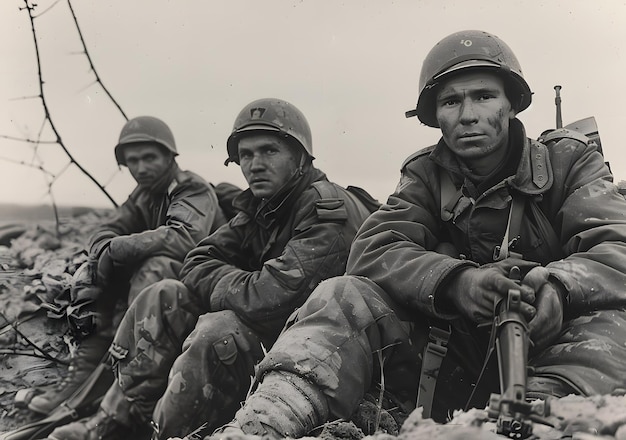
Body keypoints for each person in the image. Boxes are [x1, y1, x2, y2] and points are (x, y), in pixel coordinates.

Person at [208, 30, 626, 438]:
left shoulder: (568, 161)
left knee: (610, 317)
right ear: (435, 116)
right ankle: (266, 422)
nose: (467, 115)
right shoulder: (425, 175)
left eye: (484, 96)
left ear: (512, 103)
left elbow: (616, 243)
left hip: (552, 345)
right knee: (345, 294)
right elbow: (373, 250)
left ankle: (547, 422)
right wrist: (457, 282)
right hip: (454, 359)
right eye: (451, 101)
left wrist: (559, 286)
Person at [46, 98, 377, 440]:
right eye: (246, 155)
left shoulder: (324, 208)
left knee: (218, 329)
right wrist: (242, 285)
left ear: (300, 156)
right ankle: (113, 422)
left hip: (324, 357)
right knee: (165, 294)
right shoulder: (261, 207)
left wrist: (233, 286)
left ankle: (166, 434)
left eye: (269, 151)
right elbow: (197, 258)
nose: (255, 165)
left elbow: (272, 299)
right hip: (274, 336)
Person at [26, 115, 228, 416]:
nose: (140, 168)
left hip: (202, 291)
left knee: (155, 267)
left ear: (169, 157)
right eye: (132, 161)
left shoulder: (191, 188)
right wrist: (104, 253)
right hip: (165, 294)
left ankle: (117, 387)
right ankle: (80, 378)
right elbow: (107, 231)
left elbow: (183, 239)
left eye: (149, 158)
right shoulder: (145, 194)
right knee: (91, 273)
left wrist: (115, 249)